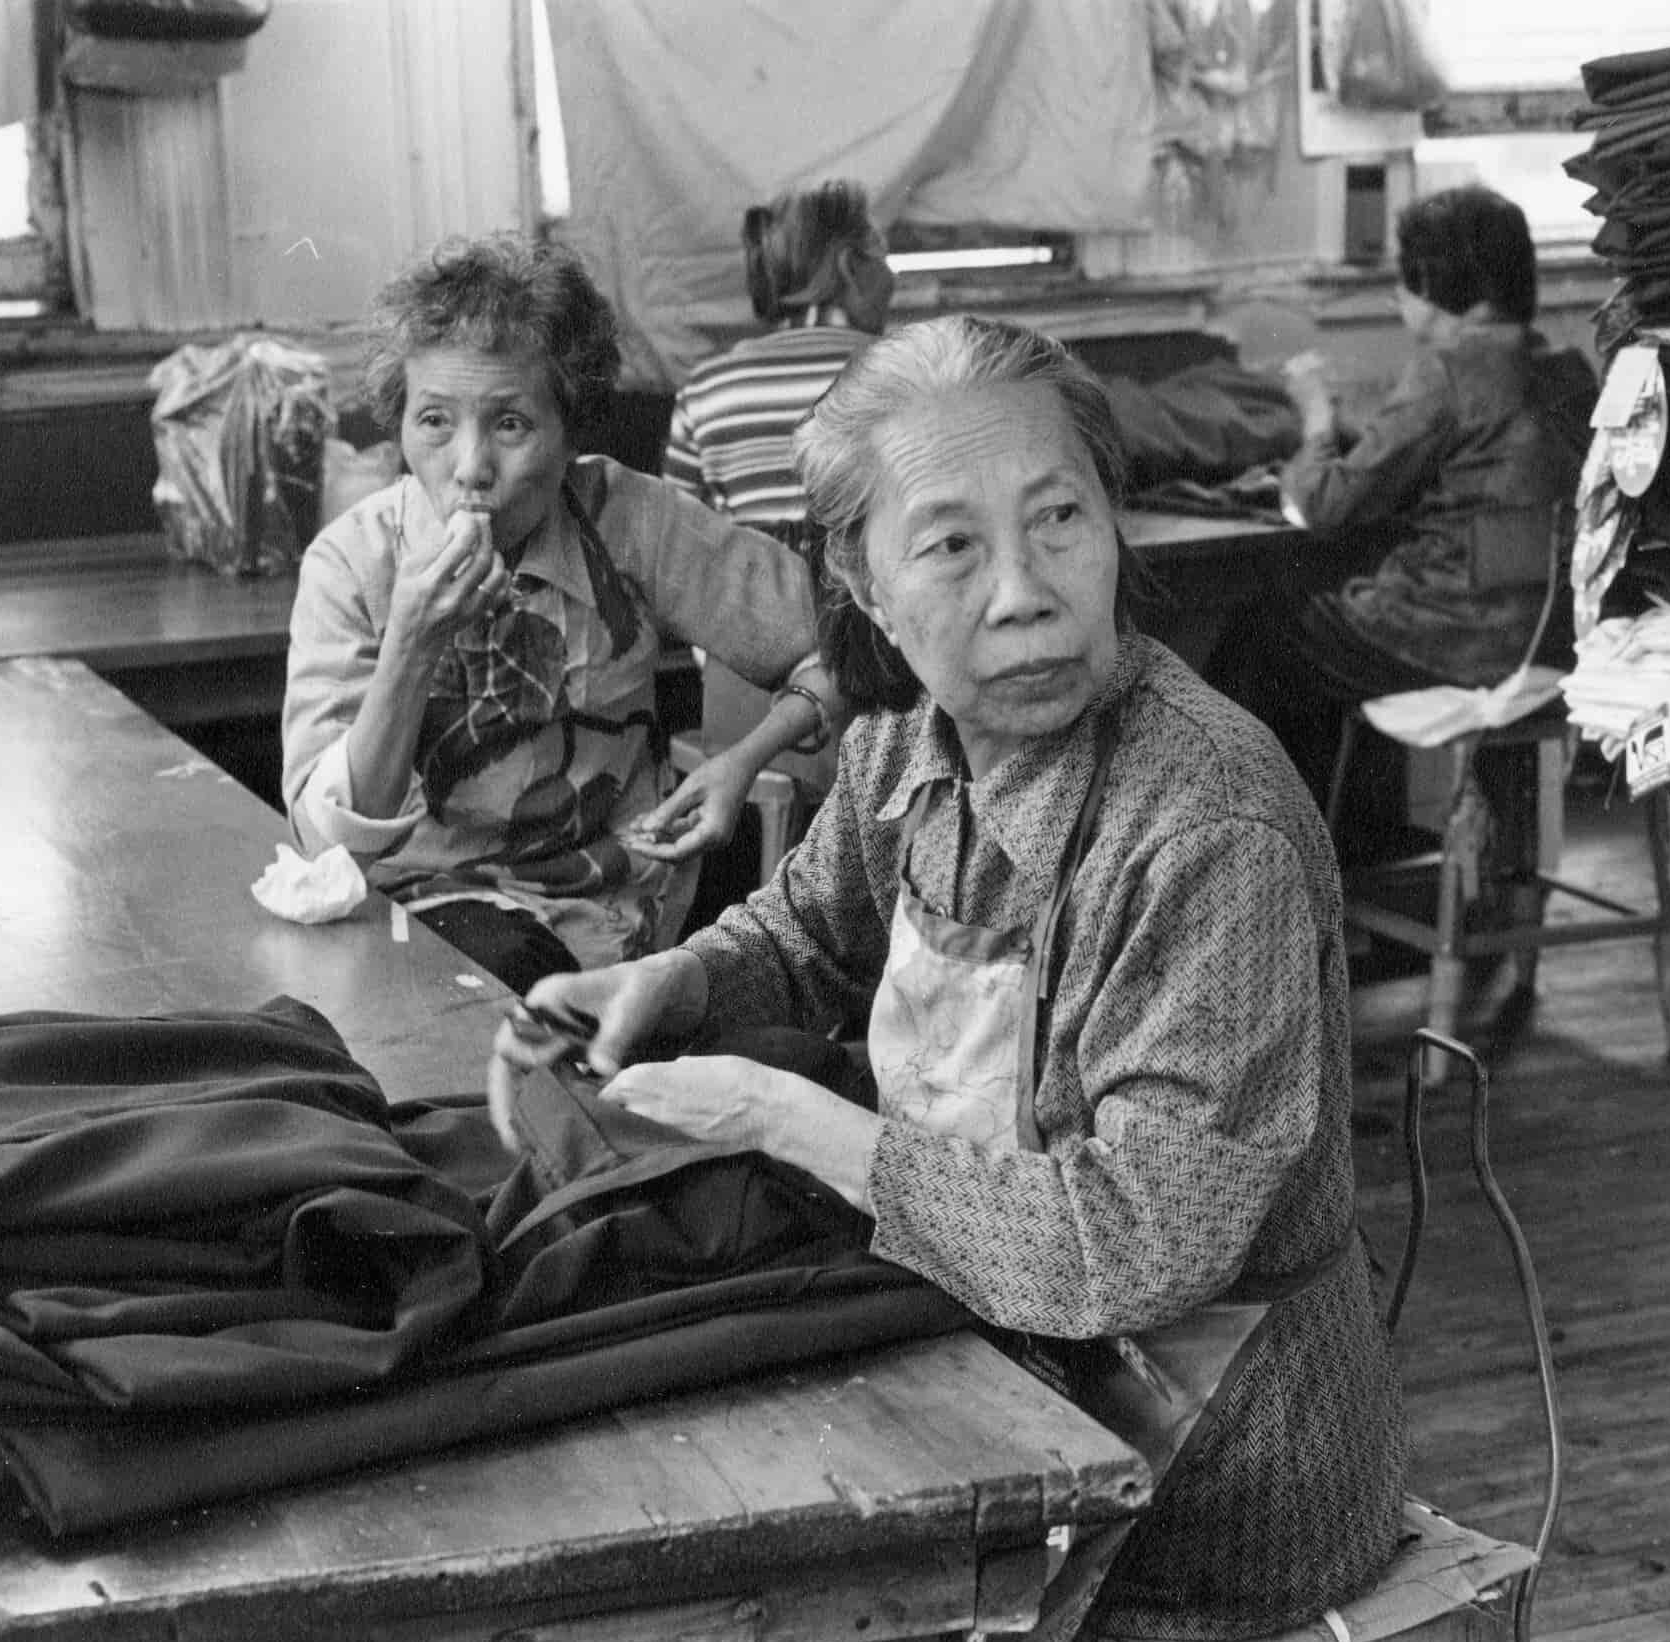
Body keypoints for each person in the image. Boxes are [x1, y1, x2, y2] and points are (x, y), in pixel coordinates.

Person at [489, 317, 1405, 1639]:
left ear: (1111, 527)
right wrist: (677, 981)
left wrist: (778, 1113)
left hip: (1213, 1475)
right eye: (950, 546)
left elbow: (1128, 1244)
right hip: (1005, 1360)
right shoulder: (906, 753)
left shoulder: (1206, 826)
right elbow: (805, 931)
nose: (1023, 590)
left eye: (1057, 521)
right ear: (862, 585)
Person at [282, 234, 842, 994]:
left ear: (572, 429)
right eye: (436, 422)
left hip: (608, 914)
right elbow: (327, 843)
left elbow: (850, 643)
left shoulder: (631, 520)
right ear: (400, 423)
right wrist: (411, 643)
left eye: (510, 424)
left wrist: (742, 760)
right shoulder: (352, 564)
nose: (471, 467)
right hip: (405, 925)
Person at [1206, 184, 1598, 820]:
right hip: (1550, 643)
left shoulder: (1447, 372)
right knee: (1330, 618)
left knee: (1268, 634)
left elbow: (1321, 506)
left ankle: (1267, 857)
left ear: (1439, 292)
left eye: (1406, 283)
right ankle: (1367, 855)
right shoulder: (1570, 373)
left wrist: (1315, 417)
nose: (1397, 297)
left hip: (1459, 643)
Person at [660, 178, 894, 547]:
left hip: (748, 599)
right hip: (871, 600)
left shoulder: (706, 389)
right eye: (883, 258)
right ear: (851, 267)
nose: (891, 277)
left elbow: (679, 536)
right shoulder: (900, 371)